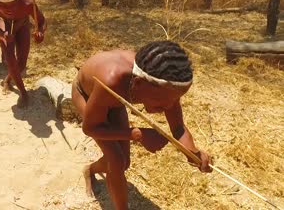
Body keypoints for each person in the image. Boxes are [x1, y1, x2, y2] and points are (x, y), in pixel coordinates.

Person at [71, 41, 212, 210]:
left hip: (111, 101)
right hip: (85, 94)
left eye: (174, 101)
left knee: (124, 163)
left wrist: (193, 153)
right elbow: (90, 127)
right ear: (137, 83)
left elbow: (178, 128)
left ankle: (90, 170)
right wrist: (137, 134)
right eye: (161, 104)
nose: (168, 108)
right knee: (116, 160)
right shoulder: (112, 82)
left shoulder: (166, 87)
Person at [0, 0, 46, 107]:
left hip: (22, 25)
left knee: (21, 64)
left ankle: (7, 80)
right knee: (11, 61)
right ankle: (23, 93)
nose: (9, 10)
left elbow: (42, 21)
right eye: (4, 7)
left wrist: (40, 32)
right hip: (4, 27)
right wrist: (2, 35)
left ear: (18, 0)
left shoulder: (27, 3)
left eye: (13, 5)